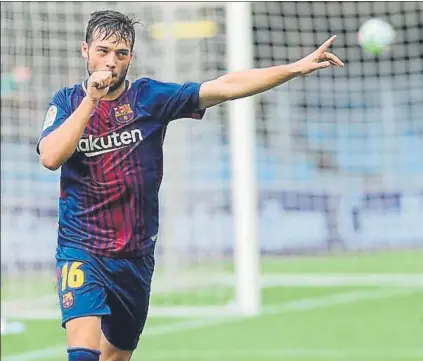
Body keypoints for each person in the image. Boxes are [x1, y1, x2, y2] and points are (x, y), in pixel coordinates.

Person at [37, 9, 344, 361]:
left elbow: (225, 87)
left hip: (135, 256)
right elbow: (50, 157)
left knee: (117, 355)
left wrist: (293, 68)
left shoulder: (149, 98)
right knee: (83, 354)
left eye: (120, 54)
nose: (110, 62)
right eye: (103, 51)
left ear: (131, 58)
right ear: (85, 51)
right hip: (82, 248)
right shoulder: (65, 102)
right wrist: (91, 100)